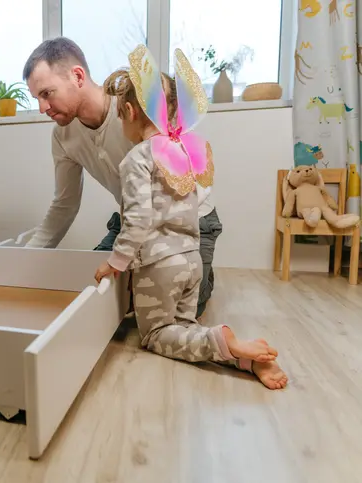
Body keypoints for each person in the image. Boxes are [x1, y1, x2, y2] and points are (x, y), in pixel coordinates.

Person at [91, 47, 287, 390]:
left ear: (131, 111)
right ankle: (243, 359)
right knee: (182, 327)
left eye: (120, 117)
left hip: (159, 266)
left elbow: (137, 219)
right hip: (192, 260)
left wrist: (116, 263)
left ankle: (224, 340)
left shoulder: (137, 158)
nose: (121, 123)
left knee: (155, 335)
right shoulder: (183, 152)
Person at [21, 37, 221, 318]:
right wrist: (26, 258)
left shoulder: (132, 108)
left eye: (47, 94)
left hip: (186, 222)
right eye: (37, 99)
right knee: (93, 291)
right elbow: (64, 204)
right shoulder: (63, 137)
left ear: (77, 76)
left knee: (169, 309)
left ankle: (203, 276)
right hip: (134, 221)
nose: (43, 108)